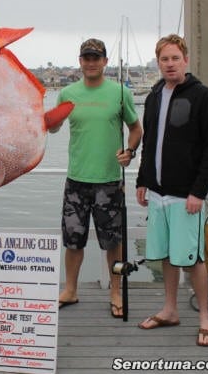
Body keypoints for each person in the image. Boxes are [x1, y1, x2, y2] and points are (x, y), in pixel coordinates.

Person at [136, 34, 208, 346]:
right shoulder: (155, 95)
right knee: (167, 257)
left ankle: (204, 318)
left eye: (175, 58)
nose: (170, 64)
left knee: (193, 258)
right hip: (158, 193)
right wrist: (142, 180)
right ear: (158, 62)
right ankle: (170, 309)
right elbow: (149, 143)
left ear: (186, 59)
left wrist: (199, 192)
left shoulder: (203, 97)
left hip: (187, 196)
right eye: (164, 59)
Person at [52, 38, 142, 318]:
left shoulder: (119, 93)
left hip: (109, 181)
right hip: (76, 180)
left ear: (105, 61)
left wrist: (130, 151)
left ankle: (115, 292)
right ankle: (71, 289)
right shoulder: (67, 93)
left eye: (96, 57)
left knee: (113, 243)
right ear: (80, 61)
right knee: (73, 241)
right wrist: (44, 121)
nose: (91, 62)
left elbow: (136, 129)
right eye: (86, 57)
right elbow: (53, 128)